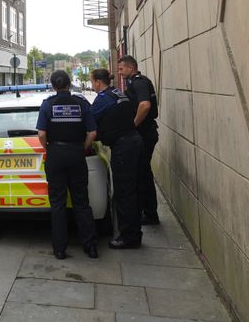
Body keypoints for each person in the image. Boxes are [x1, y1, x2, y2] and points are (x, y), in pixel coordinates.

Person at [36, 69, 98, 260]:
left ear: (53, 86)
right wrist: (83, 149)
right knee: (81, 202)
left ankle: (60, 249)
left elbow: (41, 134)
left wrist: (49, 149)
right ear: (69, 84)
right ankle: (90, 248)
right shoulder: (81, 103)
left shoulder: (47, 105)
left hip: (56, 155)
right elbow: (92, 133)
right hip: (76, 154)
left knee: (57, 204)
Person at [90, 68, 143, 249]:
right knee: (132, 190)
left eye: (92, 81)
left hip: (123, 147)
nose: (92, 85)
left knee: (123, 193)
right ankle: (134, 233)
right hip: (133, 141)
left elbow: (88, 122)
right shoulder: (118, 93)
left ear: (97, 82)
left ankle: (128, 237)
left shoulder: (103, 99)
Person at [117, 55, 160, 225]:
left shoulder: (138, 82)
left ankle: (150, 213)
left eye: (121, 69)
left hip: (144, 133)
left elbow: (145, 105)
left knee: (142, 174)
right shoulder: (134, 82)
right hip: (144, 133)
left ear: (131, 68)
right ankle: (148, 212)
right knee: (143, 173)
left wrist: (133, 125)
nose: (119, 73)